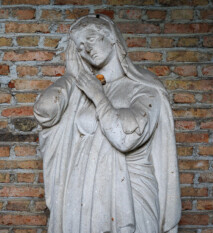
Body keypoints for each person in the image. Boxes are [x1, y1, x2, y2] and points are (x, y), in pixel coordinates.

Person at [34, 14, 181, 233]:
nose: (86, 50)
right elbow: (44, 111)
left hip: (131, 194)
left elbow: (125, 137)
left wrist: (98, 96)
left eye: (90, 39)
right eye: (80, 47)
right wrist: (73, 75)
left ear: (111, 37)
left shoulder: (143, 87)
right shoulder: (82, 91)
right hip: (83, 193)